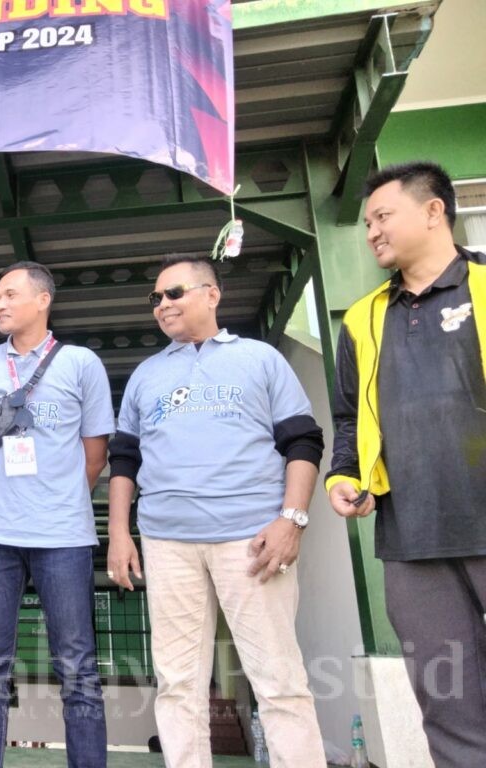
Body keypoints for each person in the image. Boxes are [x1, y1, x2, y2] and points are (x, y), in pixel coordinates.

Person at [108, 255, 326, 767]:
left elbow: (303, 441)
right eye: (155, 298)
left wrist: (292, 519)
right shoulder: (144, 376)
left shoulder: (260, 359)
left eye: (174, 293)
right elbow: (124, 459)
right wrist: (120, 533)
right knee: (177, 682)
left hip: (251, 540)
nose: (162, 305)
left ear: (212, 294)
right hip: (166, 542)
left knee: (278, 680)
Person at [326, 161, 486, 766]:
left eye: (382, 216)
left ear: (433, 210)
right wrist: (344, 475)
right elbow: (349, 417)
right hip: (412, 535)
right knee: (448, 701)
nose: (371, 232)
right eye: (367, 223)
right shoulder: (362, 318)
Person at [0, 261, 112, 768]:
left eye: (10, 294)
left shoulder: (82, 363)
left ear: (43, 300)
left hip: (63, 535)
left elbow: (95, 453)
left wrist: (56, 498)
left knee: (77, 666)